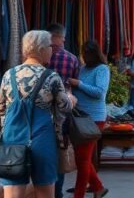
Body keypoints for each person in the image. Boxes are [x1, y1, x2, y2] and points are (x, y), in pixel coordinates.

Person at [0, 30, 74, 198]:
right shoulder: (51, 77)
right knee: (45, 192)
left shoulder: (9, 75)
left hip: (13, 139)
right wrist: (71, 98)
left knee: (12, 194)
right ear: (41, 49)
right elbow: (65, 107)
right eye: (50, 46)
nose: (52, 50)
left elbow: (1, 107)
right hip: (42, 139)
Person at [66, 40, 110, 198]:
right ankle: (98, 187)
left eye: (85, 53)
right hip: (79, 117)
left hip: (94, 118)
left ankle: (79, 194)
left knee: (83, 158)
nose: (83, 56)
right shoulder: (82, 69)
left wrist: (79, 84)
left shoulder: (102, 69)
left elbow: (99, 92)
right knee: (81, 157)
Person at [45, 23, 79, 198]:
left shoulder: (42, 57)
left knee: (44, 152)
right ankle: (57, 191)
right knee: (61, 151)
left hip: (42, 112)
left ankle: (47, 189)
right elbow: (74, 85)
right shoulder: (72, 59)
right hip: (63, 113)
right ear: (61, 37)